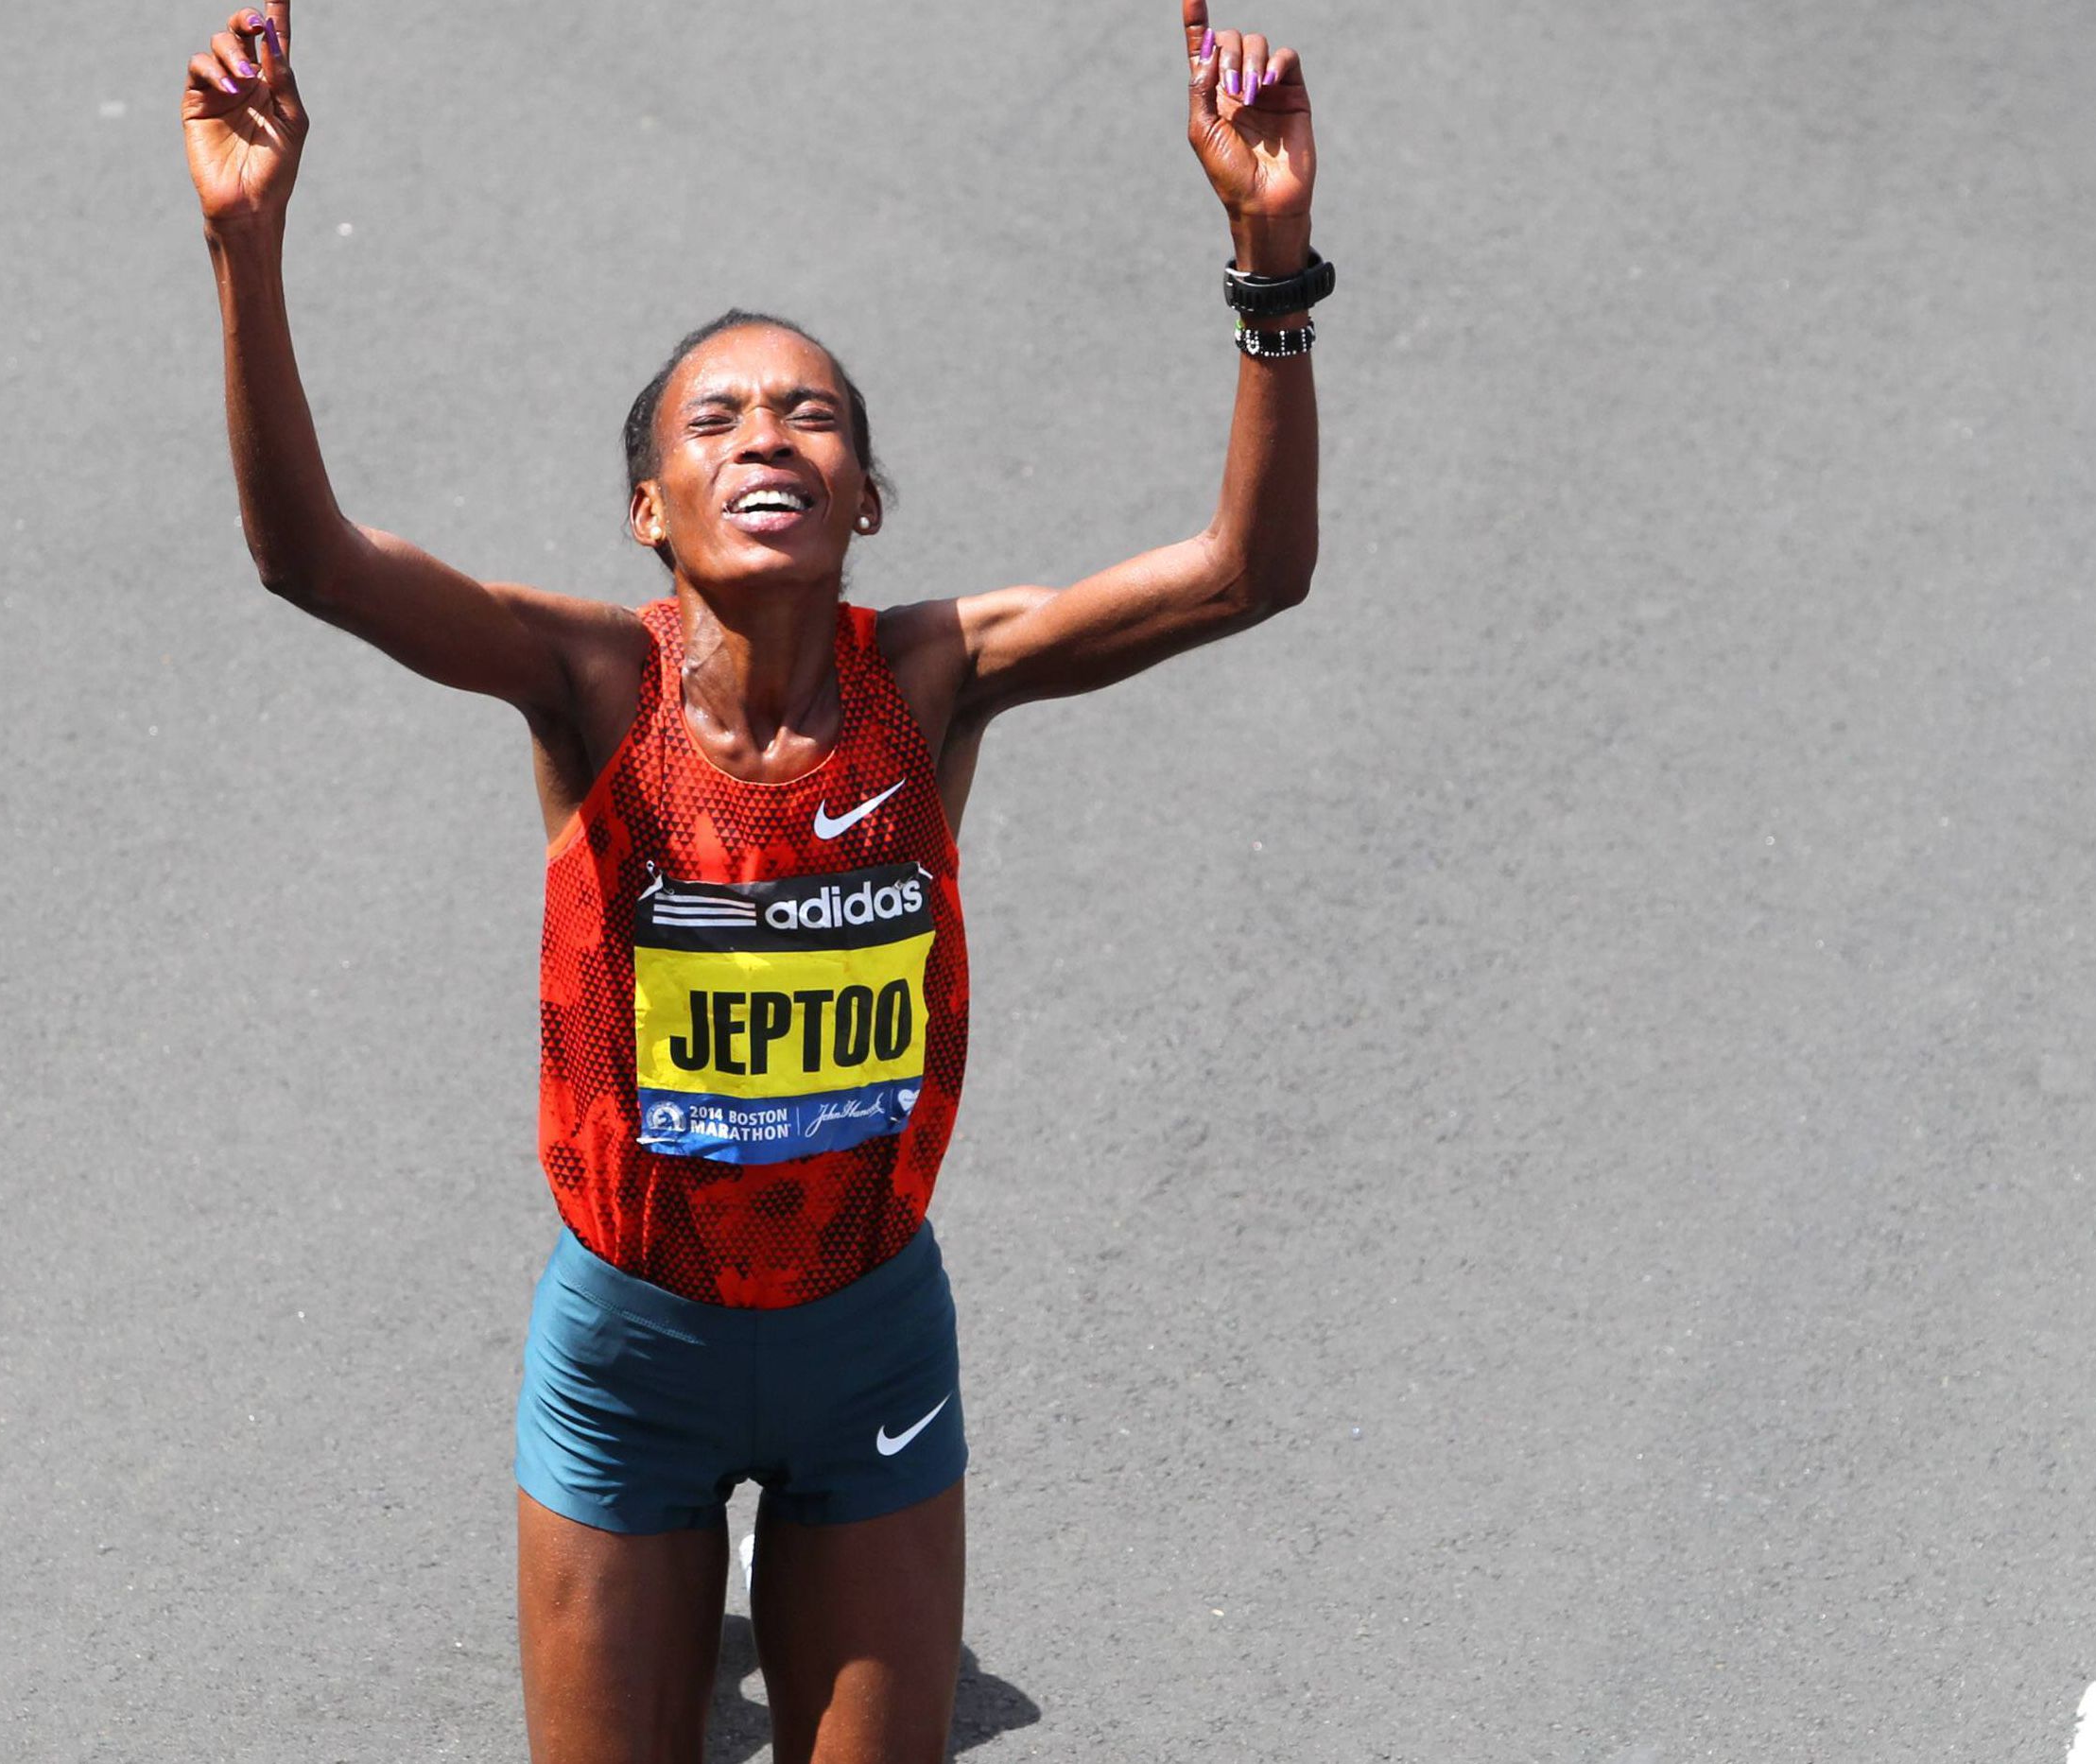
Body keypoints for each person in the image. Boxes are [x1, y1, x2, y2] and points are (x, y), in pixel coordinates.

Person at [181, 3, 1324, 1758]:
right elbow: (309, 561)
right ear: (651, 505)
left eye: (811, 417)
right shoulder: (590, 684)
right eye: (717, 420)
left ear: (867, 498)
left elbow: (1249, 572)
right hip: (631, 1356)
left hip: (870, 1344)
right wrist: (246, 250)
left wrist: (1269, 259)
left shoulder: (933, 678)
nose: (768, 436)